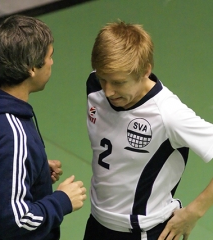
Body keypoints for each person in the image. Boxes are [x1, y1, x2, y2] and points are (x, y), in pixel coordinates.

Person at [83, 21, 213, 240]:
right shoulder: (94, 86)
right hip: (96, 224)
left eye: (118, 83)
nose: (108, 91)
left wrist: (194, 212)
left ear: (145, 71)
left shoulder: (168, 114)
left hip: (144, 233)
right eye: (103, 79)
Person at [0, 15, 86, 240]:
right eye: (49, 56)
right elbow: (13, 221)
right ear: (31, 68)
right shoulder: (11, 136)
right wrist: (62, 200)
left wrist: (29, 167)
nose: (52, 62)